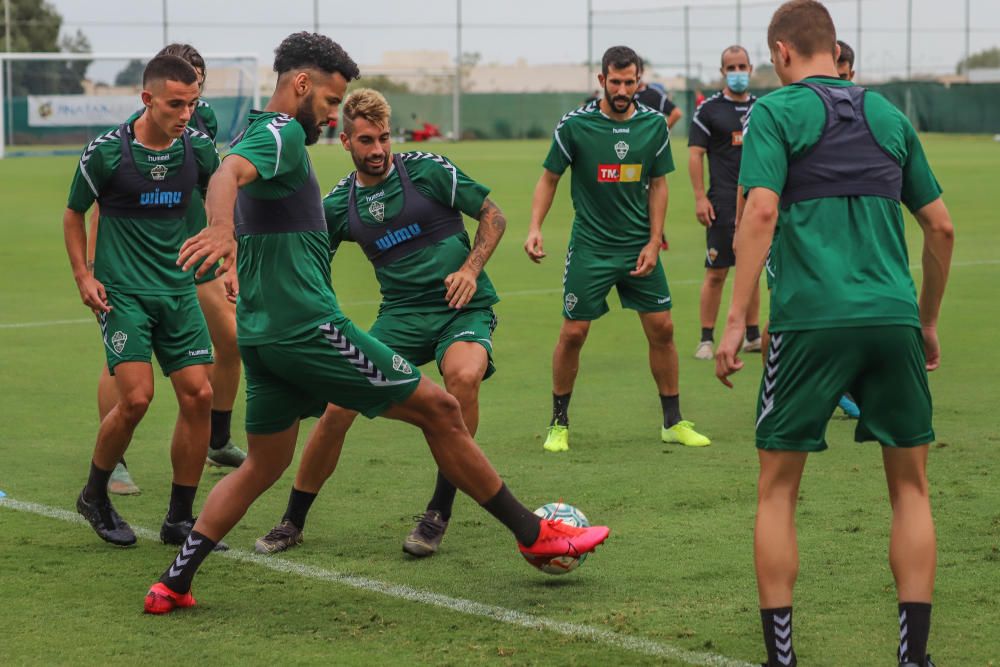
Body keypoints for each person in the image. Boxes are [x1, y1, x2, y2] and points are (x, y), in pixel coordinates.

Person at [144, 32, 610, 614]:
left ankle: (174, 581)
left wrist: (233, 243)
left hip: (262, 336)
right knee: (441, 410)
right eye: (333, 103)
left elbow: (243, 193)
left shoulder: (263, 137)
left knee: (265, 462)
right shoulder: (281, 131)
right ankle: (534, 534)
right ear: (303, 85)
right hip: (307, 328)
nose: (332, 113)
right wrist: (218, 227)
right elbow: (226, 177)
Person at [714, 2, 953, 666]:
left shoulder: (775, 113)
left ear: (783, 53)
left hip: (808, 320)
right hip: (892, 318)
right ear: (833, 49)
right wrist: (927, 318)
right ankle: (914, 657)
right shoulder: (889, 116)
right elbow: (941, 227)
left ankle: (781, 658)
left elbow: (760, 207)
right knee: (910, 487)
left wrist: (736, 320)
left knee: (778, 487)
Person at [255, 88, 507, 558]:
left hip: (461, 310)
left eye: (384, 138)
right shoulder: (337, 204)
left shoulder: (427, 170)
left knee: (463, 378)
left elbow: (493, 215)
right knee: (337, 409)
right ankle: (292, 520)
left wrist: (470, 270)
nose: (377, 150)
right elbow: (308, 259)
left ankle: (438, 511)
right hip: (399, 318)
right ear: (345, 141)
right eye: (366, 140)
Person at [64, 55, 222, 549]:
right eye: (176, 104)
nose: (185, 113)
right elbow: (74, 214)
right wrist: (83, 276)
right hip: (123, 294)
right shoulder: (106, 153)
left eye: (192, 103)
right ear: (147, 99)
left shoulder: (198, 148)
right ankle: (95, 494)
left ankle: (179, 518)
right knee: (135, 398)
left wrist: (228, 252)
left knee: (199, 395)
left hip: (178, 291)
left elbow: (223, 196)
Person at [524, 45, 710, 452]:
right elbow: (549, 179)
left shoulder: (654, 126)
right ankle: (559, 423)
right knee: (574, 332)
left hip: (638, 247)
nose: (623, 88)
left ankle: (672, 421)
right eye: (616, 81)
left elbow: (659, 185)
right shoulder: (575, 126)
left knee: (663, 328)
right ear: (601, 81)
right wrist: (535, 227)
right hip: (591, 247)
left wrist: (653, 241)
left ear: (639, 82)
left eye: (630, 82)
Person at [88, 44, 245, 497]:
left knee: (230, 340)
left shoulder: (204, 122)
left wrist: (224, 245)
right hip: (133, 263)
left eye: (197, 84)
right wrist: (97, 266)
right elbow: (105, 202)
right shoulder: (130, 137)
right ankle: (113, 460)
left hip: (192, 254)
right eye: (181, 90)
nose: (188, 99)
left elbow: (212, 186)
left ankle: (217, 438)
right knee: (121, 367)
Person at [688, 45, 761, 361]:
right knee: (716, 271)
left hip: (758, 202)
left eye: (741, 66)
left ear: (751, 68)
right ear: (722, 72)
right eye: (731, 68)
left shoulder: (763, 109)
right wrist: (700, 197)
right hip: (721, 202)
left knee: (753, 268)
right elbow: (695, 155)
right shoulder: (708, 111)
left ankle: (753, 335)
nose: (737, 73)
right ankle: (706, 338)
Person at [634, 61, 682, 130]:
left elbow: (676, 113)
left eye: (636, 72)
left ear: (642, 72)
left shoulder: (653, 93)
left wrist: (660, 132)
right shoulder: (622, 94)